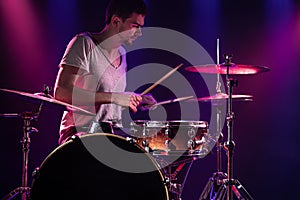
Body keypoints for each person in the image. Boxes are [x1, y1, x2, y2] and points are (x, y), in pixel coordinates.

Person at [53, 0, 156, 145]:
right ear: (116, 21)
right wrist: (114, 97)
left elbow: (108, 101)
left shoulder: (122, 53)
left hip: (110, 135)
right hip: (80, 134)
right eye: (135, 26)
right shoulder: (84, 43)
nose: (139, 33)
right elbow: (61, 93)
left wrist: (135, 99)